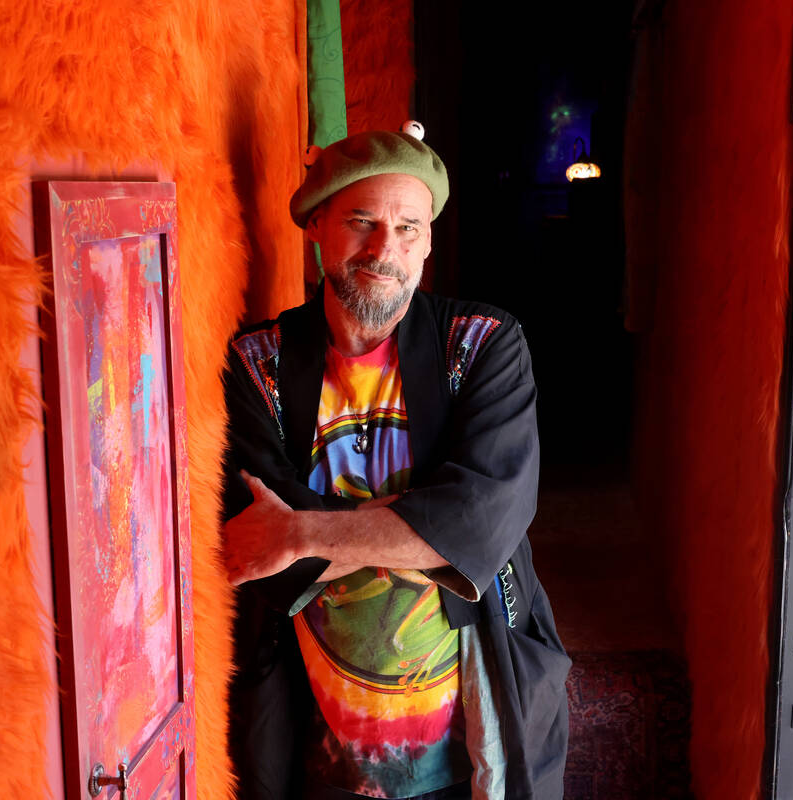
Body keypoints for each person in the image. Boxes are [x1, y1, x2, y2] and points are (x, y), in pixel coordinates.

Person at [221, 123, 570, 800]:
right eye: (362, 221)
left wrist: (301, 530)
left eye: (409, 227)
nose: (386, 248)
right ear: (317, 224)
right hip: (320, 732)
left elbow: (483, 521)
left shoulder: (484, 344)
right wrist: (418, 524)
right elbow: (249, 544)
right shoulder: (256, 362)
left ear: (430, 240)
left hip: (474, 709)